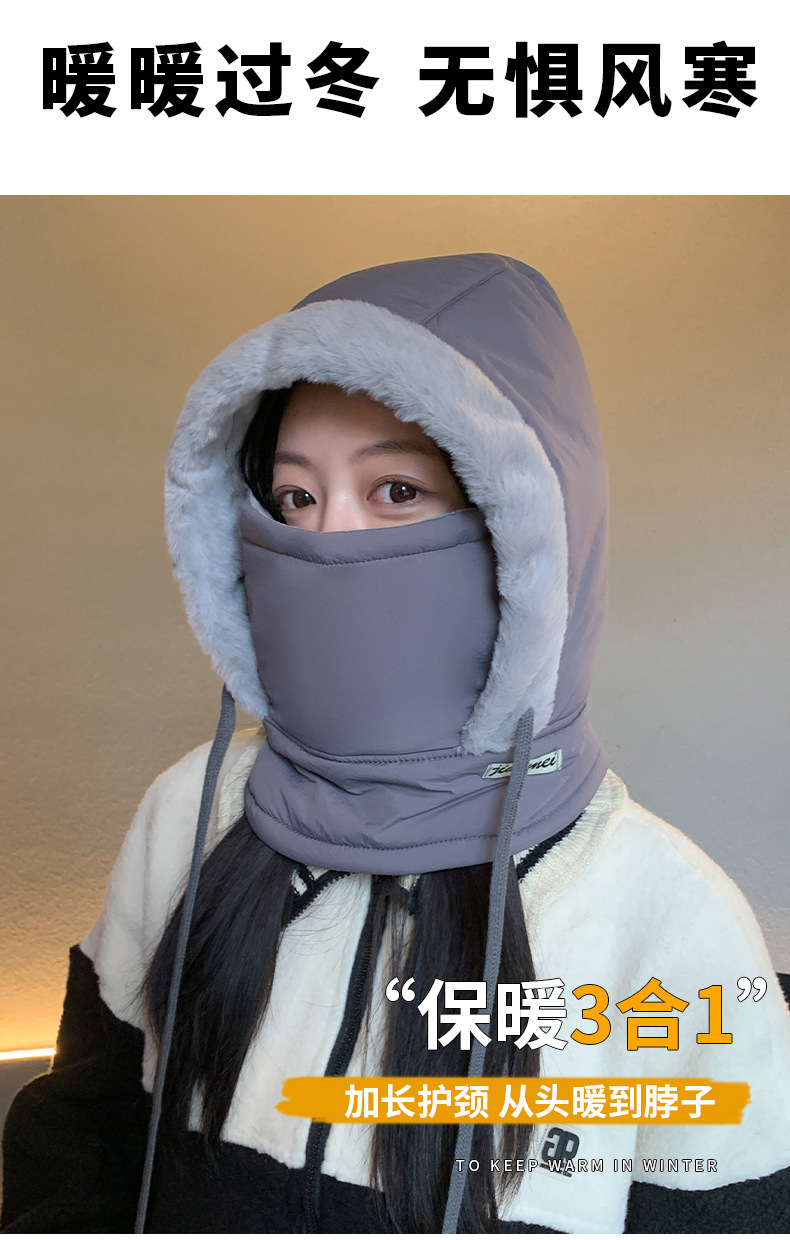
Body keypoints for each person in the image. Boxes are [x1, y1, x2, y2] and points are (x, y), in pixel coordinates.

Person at [2, 253, 789, 1235]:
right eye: (294, 498)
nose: (325, 542)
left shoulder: (669, 918)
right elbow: (79, 1140)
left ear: (529, 535)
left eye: (397, 490)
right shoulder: (188, 812)